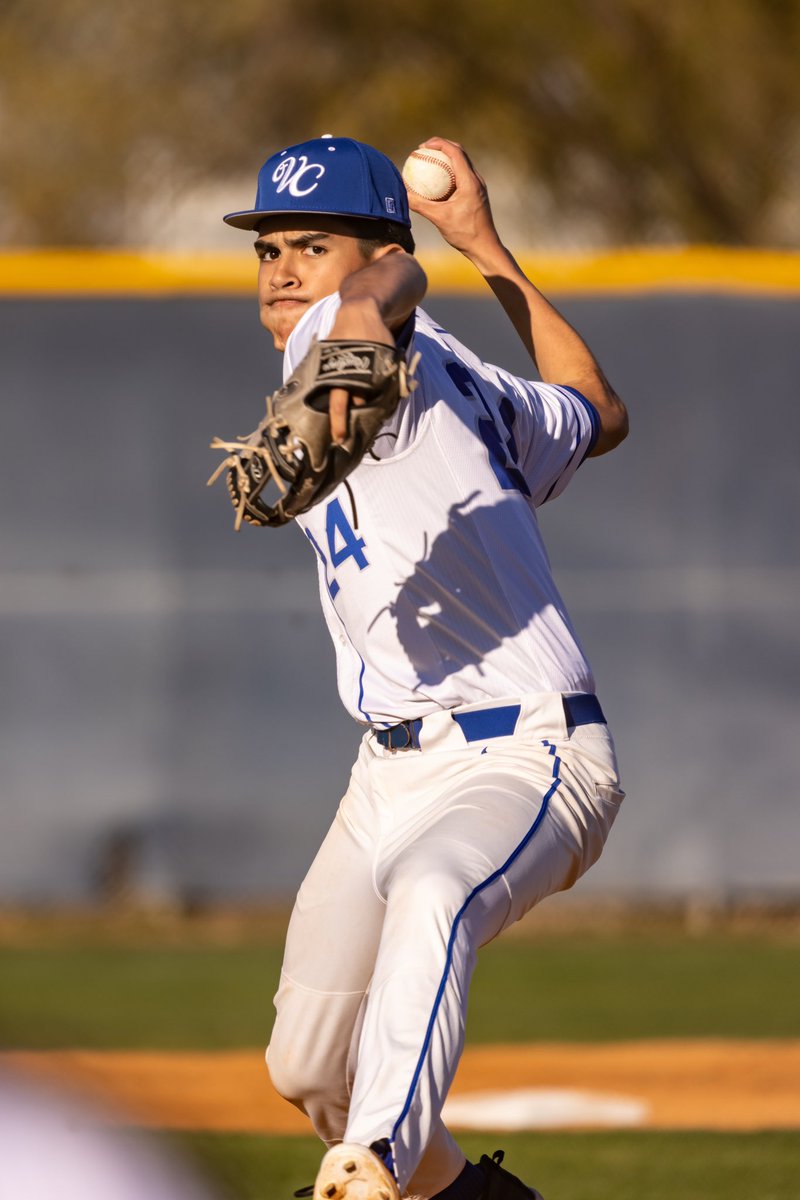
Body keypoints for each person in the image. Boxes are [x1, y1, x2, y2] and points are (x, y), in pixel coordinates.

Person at [222, 134, 628, 1200]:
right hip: (385, 773)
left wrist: (381, 291)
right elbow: (598, 407)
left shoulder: (363, 337)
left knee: (435, 890)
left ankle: (373, 1168)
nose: (280, 270)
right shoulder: (476, 385)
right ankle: (461, 1194)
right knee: (307, 1064)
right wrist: (486, 243)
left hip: (526, 751)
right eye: (267, 248)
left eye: (311, 245)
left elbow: (388, 291)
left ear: (371, 258)